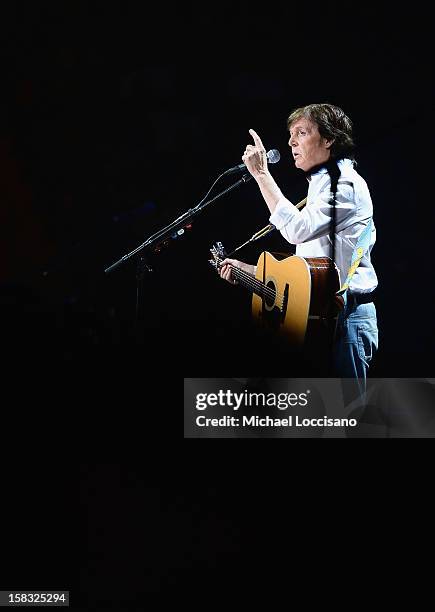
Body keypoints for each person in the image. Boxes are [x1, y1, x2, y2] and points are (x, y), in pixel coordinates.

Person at [219, 103, 378, 388]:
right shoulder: (320, 184)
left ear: (329, 139)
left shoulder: (345, 186)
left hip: (345, 321)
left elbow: (296, 231)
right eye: (291, 134)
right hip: (319, 317)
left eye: (301, 133)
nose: (291, 142)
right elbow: (305, 277)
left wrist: (262, 175)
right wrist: (247, 271)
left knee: (347, 418)